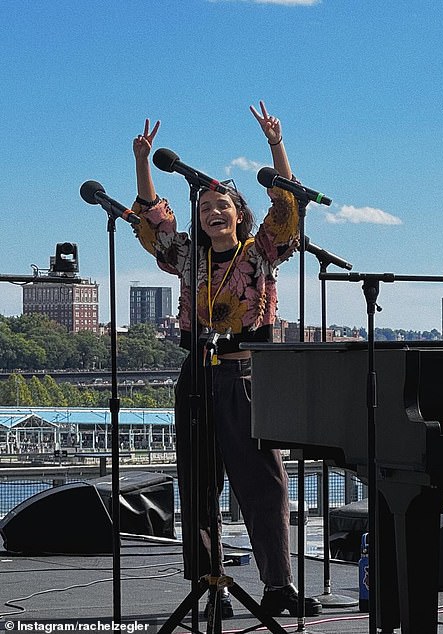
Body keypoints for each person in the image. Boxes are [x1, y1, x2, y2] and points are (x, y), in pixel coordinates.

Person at [131, 102, 321, 619]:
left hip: (245, 374)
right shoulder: (190, 256)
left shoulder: (259, 253)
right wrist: (143, 163)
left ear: (239, 212)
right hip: (196, 376)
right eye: (205, 207)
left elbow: (288, 212)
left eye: (223, 205)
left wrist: (276, 146)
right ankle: (209, 587)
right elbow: (155, 228)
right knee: (198, 486)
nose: (213, 212)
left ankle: (277, 585)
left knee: (263, 482)